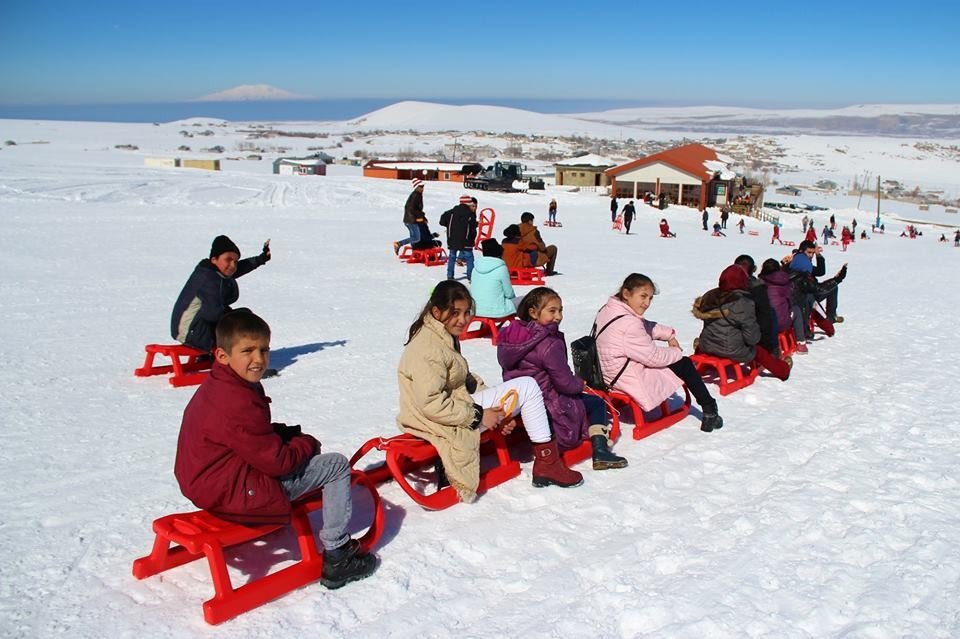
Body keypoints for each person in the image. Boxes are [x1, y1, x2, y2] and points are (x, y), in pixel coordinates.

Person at [174, 310, 376, 589]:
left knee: (299, 449)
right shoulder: (237, 400)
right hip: (234, 492)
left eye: (264, 349)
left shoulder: (222, 384)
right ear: (222, 355)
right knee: (336, 465)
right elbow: (278, 463)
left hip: (207, 484)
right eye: (248, 351)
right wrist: (306, 444)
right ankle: (338, 554)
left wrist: (285, 434)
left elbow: (246, 436)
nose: (258, 359)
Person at [398, 281, 583, 502]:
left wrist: (499, 409)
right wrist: (478, 415)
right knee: (528, 386)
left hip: (452, 405)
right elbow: (431, 403)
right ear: (436, 311)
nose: (463, 319)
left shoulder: (441, 334)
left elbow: (463, 379)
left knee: (524, 387)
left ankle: (547, 461)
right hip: (430, 417)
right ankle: (548, 462)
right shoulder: (428, 346)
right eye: (455, 312)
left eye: (467, 313)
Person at [497, 287, 627, 470]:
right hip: (548, 401)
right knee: (597, 403)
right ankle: (601, 451)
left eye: (560, 310)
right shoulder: (548, 343)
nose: (558, 316)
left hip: (520, 400)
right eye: (552, 311)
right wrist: (579, 384)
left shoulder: (512, 336)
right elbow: (564, 382)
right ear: (533, 312)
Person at [594, 273, 724, 432]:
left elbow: (644, 326)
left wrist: (669, 333)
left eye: (650, 298)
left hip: (607, 373)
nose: (646, 303)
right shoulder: (630, 324)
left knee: (677, 361)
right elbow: (653, 357)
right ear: (627, 294)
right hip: (627, 378)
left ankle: (709, 408)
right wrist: (675, 351)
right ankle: (710, 409)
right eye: (643, 296)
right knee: (684, 364)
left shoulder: (610, 310)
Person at [171, 235, 271, 353]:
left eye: (235, 261)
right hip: (193, 332)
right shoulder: (209, 280)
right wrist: (236, 318)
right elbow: (213, 314)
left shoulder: (212, 272)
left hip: (194, 328)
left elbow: (239, 268)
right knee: (242, 323)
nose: (233, 265)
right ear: (214, 259)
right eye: (228, 260)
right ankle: (244, 361)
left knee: (242, 316)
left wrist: (260, 259)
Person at [693, 265, 791, 382]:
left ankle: (701, 363)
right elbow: (752, 338)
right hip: (731, 350)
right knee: (758, 351)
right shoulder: (742, 303)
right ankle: (783, 370)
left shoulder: (710, 296)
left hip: (706, 345)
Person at [733, 255, 779, 358]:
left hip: (725, 335)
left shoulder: (727, 285)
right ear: (754, 269)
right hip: (746, 338)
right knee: (771, 313)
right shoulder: (757, 289)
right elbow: (765, 318)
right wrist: (767, 345)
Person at [759, 257, 799, 351]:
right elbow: (790, 301)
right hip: (782, 322)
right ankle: (801, 339)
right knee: (796, 309)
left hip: (763, 324)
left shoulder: (760, 283)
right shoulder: (785, 282)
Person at [471, 239, 517, 318]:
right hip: (496, 311)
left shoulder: (475, 268)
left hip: (476, 310)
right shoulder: (501, 268)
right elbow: (509, 294)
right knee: (523, 301)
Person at [440, 194, 478, 281]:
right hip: (466, 240)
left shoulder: (450, 212)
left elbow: (442, 221)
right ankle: (470, 276)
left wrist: (451, 226)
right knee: (469, 258)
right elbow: (472, 227)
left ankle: (450, 276)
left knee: (452, 257)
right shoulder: (470, 214)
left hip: (452, 239)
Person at [807, 240, 845, 323]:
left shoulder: (804, 263)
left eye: (812, 253)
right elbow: (820, 272)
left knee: (833, 286)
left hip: (812, 291)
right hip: (809, 295)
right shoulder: (802, 264)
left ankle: (831, 315)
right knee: (833, 287)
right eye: (809, 252)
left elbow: (820, 272)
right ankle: (831, 317)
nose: (810, 255)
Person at [394, 178, 425, 254]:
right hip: (411, 220)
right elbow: (412, 208)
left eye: (423, 186)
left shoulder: (417, 194)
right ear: (416, 187)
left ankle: (414, 252)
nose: (422, 188)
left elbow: (416, 209)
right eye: (421, 186)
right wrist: (421, 217)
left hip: (410, 219)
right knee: (416, 238)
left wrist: (422, 217)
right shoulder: (416, 195)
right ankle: (399, 244)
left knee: (413, 237)